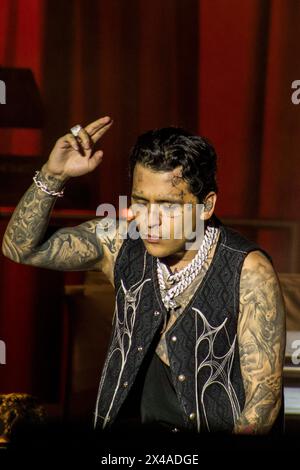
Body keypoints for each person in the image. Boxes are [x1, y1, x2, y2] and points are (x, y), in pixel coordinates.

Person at [2, 116, 286, 436]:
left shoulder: (247, 270)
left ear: (206, 206)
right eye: (141, 202)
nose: (150, 220)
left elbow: (265, 397)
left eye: (168, 206)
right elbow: (20, 249)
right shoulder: (121, 244)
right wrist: (53, 175)